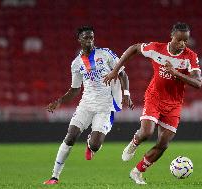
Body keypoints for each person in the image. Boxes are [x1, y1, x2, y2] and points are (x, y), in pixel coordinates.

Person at [104, 22, 202, 185]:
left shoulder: (190, 56)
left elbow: (198, 83)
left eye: (186, 41)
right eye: (179, 40)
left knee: (163, 144)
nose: (182, 44)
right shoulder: (156, 48)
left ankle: (137, 172)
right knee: (147, 133)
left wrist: (175, 73)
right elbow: (134, 48)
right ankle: (134, 142)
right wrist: (115, 70)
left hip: (174, 104)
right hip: (154, 97)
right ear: (172, 36)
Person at [43, 26, 134, 185]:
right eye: (86, 38)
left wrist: (126, 94)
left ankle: (90, 143)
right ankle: (54, 176)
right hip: (86, 105)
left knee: (95, 145)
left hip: (105, 107)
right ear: (79, 40)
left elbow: (123, 74)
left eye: (91, 37)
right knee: (70, 137)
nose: (90, 41)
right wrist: (59, 101)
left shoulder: (106, 54)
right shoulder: (76, 63)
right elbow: (75, 89)